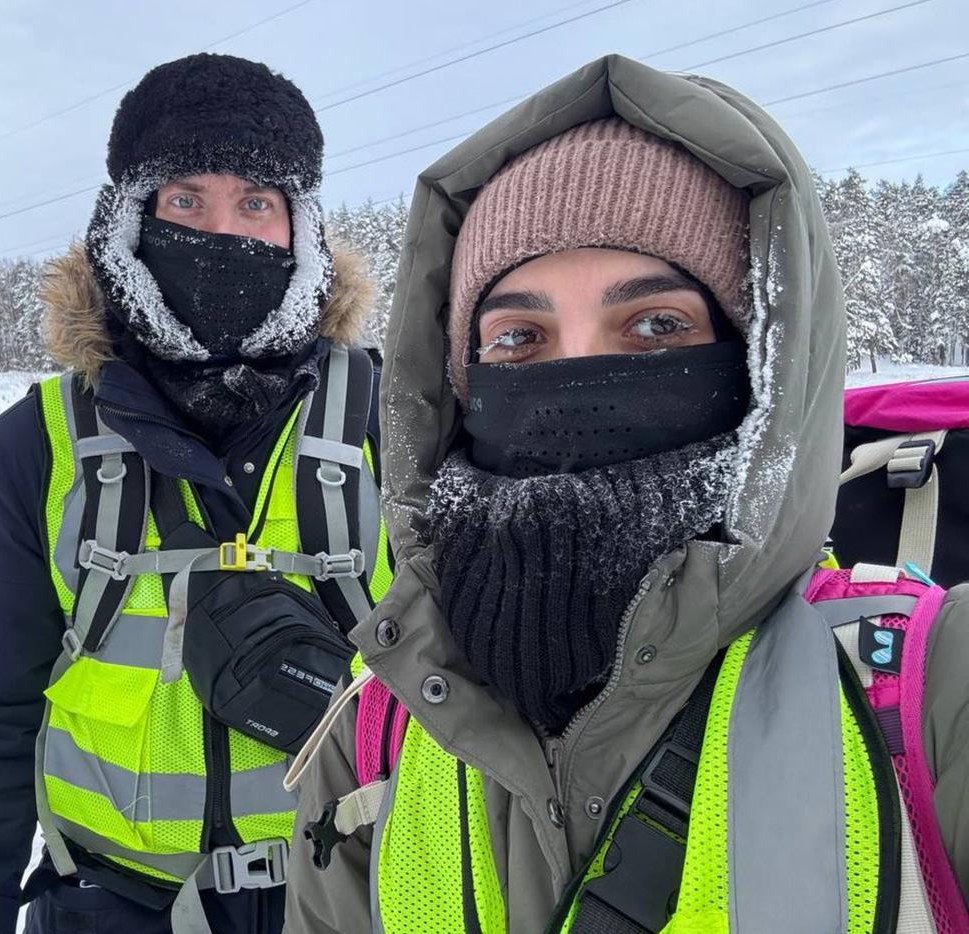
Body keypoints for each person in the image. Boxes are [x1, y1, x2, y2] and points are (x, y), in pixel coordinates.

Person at [283, 54, 969, 933]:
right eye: (518, 337)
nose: (578, 376)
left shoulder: (932, 691)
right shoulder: (381, 722)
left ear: (760, 364)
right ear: (460, 387)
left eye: (655, 325)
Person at [0, 54, 391, 934]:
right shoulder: (39, 444)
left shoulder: (392, 421)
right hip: (106, 908)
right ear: (130, 217)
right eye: (184, 200)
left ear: (300, 230)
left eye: (257, 203)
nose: (223, 231)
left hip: (354, 899)